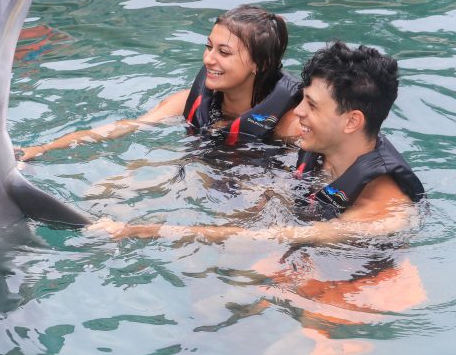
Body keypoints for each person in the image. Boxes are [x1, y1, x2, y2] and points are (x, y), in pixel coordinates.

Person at [89, 41, 425, 243]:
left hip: (359, 285)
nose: (299, 112)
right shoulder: (325, 155)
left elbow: (265, 240)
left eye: (312, 105)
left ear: (352, 121)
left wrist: (142, 231)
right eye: (302, 99)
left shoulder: (383, 211)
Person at [17, 5, 301, 161]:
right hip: (196, 170)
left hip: (254, 190)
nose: (209, 59)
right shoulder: (186, 102)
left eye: (224, 53)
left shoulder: (289, 125)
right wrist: (44, 148)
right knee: (113, 185)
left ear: (260, 65)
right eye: (209, 46)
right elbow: (123, 128)